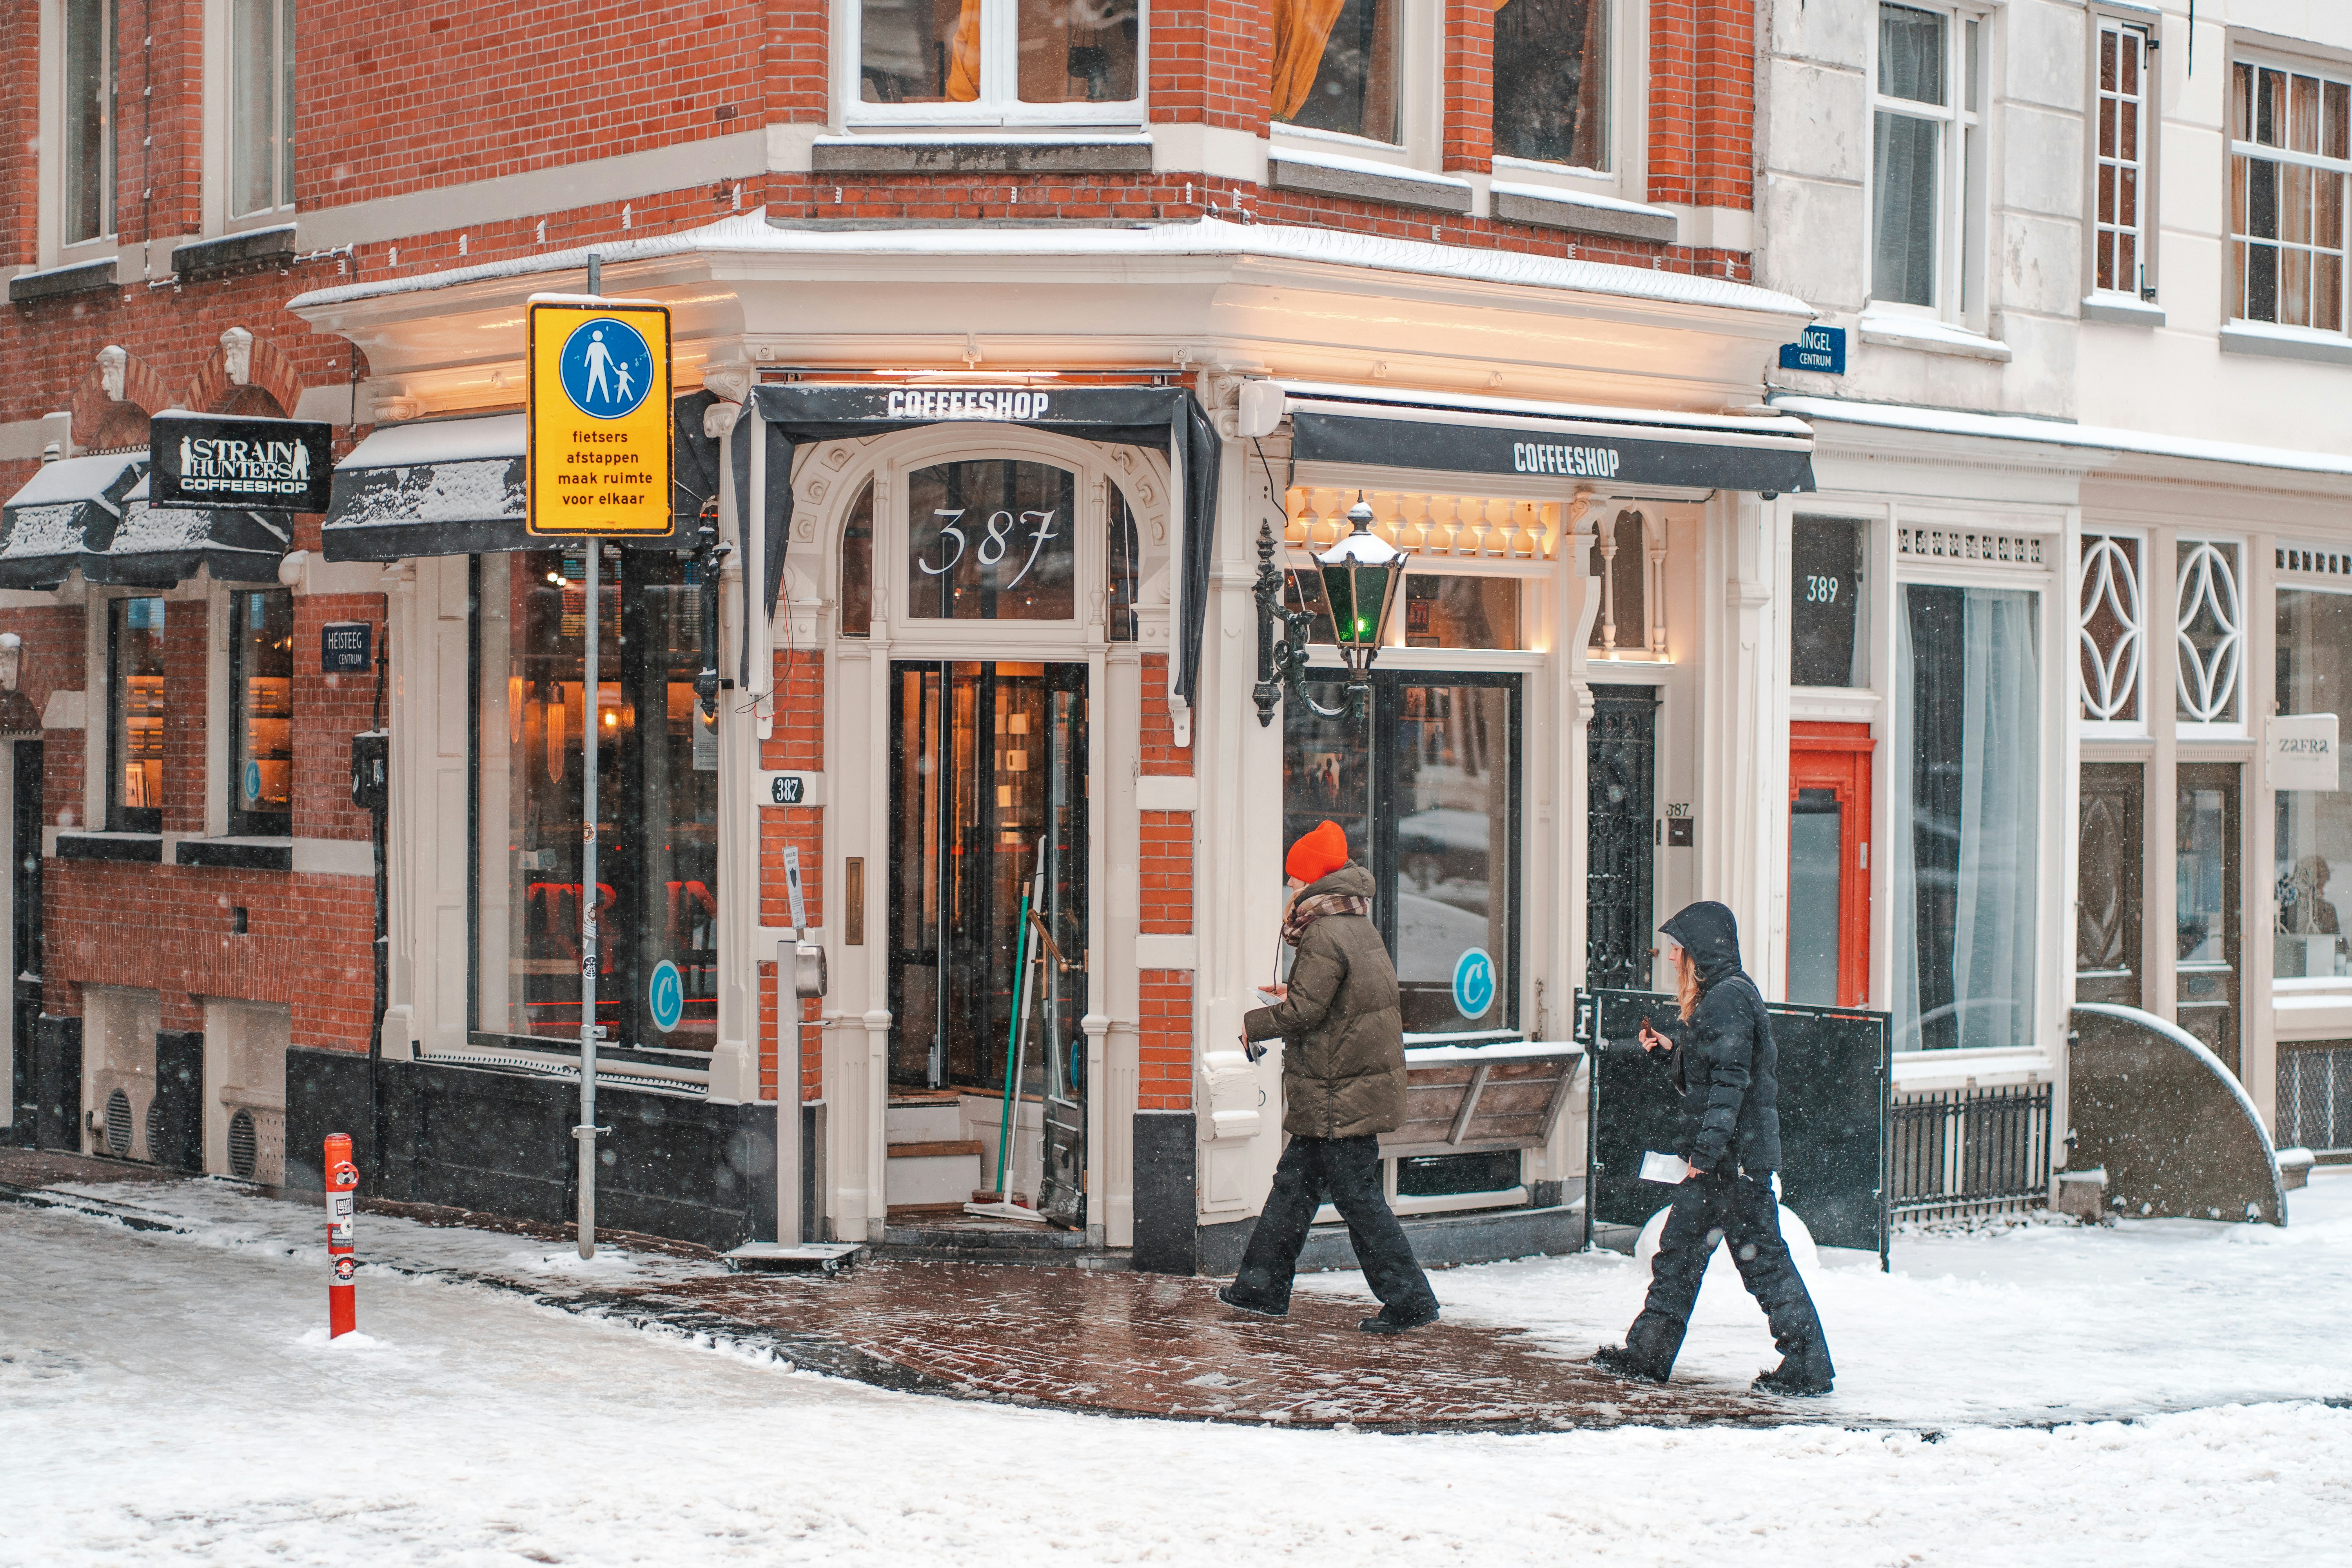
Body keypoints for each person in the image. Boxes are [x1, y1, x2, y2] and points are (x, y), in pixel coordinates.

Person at [1592, 901, 1836, 1396]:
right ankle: (1648, 1355)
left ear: (1699, 952)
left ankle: (1807, 1367)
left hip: (1733, 1167)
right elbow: (1714, 1076)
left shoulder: (1727, 1000)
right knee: (1684, 1256)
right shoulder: (1725, 997)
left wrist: (1704, 1156)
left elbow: (1731, 1087)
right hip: (1728, 1164)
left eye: (1677, 949)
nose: (1671, 959)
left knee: (1760, 1265)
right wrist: (1670, 1053)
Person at [1219, 820, 1442, 1335]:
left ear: (1314, 882)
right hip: (1341, 1087)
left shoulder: (1322, 931)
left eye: (1295, 881)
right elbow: (1337, 1003)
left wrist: (1255, 1022)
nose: (1291, 889)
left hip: (1340, 1092)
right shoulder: (1354, 923)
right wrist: (1291, 995)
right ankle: (1260, 1287)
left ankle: (1409, 1301)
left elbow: (1307, 1013)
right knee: (1293, 1188)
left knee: (1358, 1201)